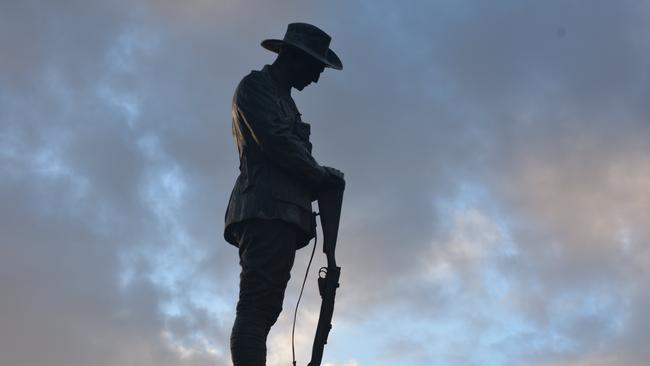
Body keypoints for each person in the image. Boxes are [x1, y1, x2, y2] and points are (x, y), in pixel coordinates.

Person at [224, 23, 344, 366]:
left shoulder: (285, 100)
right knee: (256, 304)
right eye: (315, 68)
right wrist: (319, 174)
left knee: (266, 306)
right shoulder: (256, 87)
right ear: (293, 57)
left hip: (281, 211)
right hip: (265, 207)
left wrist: (320, 174)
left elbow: (289, 147)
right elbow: (276, 142)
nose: (317, 78)